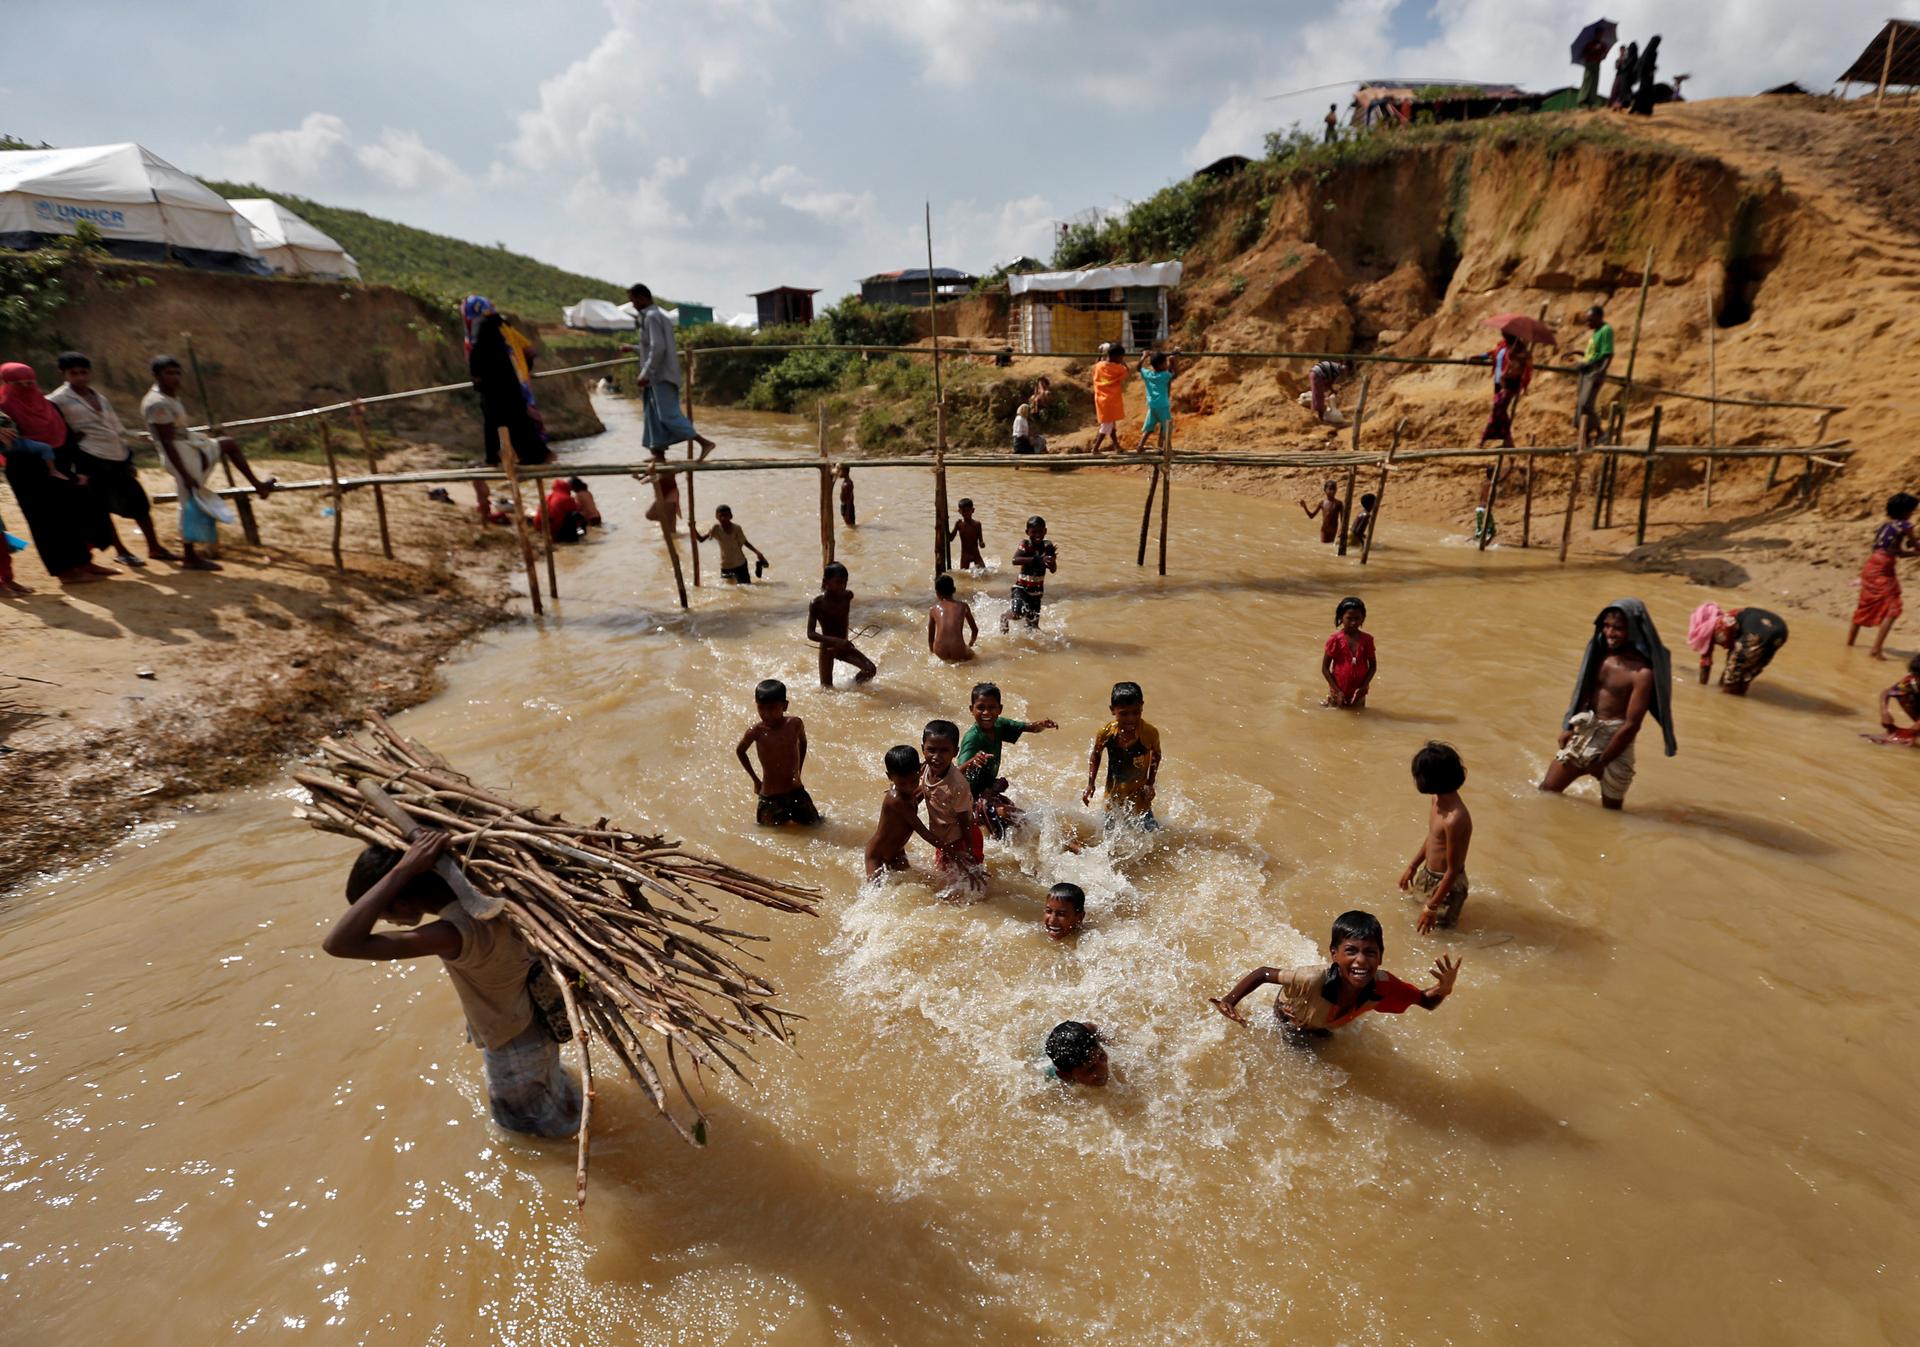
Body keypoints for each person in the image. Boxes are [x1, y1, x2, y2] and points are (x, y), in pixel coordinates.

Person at [323, 830, 580, 1137]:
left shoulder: (456, 932)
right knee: (553, 1099)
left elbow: (339, 944)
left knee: (528, 1133)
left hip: (513, 1045)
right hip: (538, 1023)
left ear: (402, 903)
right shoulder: (503, 897)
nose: (387, 924)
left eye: (383, 914)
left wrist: (402, 868)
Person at [1209, 910, 1461, 1038]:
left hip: (1324, 1024)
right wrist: (1230, 1001)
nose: (1361, 961)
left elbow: (1426, 1002)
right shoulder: (1311, 978)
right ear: (1334, 954)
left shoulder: (1384, 985)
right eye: (1351, 951)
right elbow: (1263, 973)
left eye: (1370, 952)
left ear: (1381, 957)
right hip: (1291, 1017)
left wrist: (1443, 990)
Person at [143, 356, 281, 571]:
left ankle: (258, 486)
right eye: (169, 373)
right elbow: (168, 442)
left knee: (228, 444)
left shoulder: (170, 396)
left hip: (187, 446)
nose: (175, 378)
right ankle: (190, 555)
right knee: (190, 500)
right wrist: (185, 474)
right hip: (178, 454)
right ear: (157, 375)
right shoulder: (157, 403)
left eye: (177, 373)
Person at [1539, 600, 1677, 810]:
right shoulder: (1601, 656)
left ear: (1633, 631)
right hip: (1586, 733)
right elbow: (1582, 689)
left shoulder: (1642, 674)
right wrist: (1568, 726)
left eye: (1618, 628)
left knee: (1611, 813)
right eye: (1606, 626)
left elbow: (1631, 725)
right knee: (1546, 792)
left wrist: (1602, 761)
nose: (1610, 632)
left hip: (1617, 741)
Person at [48, 351, 174, 566]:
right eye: (74, 373)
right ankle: (121, 550)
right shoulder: (56, 400)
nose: (80, 377)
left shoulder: (99, 397)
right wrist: (71, 438)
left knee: (139, 503)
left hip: (117, 455)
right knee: (101, 506)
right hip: (89, 458)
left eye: (84, 372)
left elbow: (116, 428)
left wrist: (130, 451)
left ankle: (154, 546)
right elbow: (54, 429)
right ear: (64, 374)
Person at [0, 362, 116, 583]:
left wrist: (79, 468)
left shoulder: (47, 405)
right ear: (7, 384)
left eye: (29, 383)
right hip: (28, 474)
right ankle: (65, 570)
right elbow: (10, 444)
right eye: (18, 384)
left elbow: (67, 436)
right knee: (47, 522)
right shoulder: (4, 409)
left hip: (60, 467)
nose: (26, 388)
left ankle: (84, 562)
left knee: (74, 515)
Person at [463, 295, 549, 525]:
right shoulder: (503, 326)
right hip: (515, 382)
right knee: (519, 419)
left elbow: (477, 364)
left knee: (495, 421)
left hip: (495, 387)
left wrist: (478, 379)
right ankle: (533, 455)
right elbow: (530, 351)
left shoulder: (479, 331)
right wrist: (523, 370)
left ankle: (499, 458)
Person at [621, 282, 715, 460]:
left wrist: (645, 373)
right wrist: (633, 348)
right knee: (653, 415)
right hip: (657, 376)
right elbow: (651, 346)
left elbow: (658, 348)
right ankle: (658, 453)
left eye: (633, 301)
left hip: (661, 375)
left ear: (642, 298)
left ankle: (704, 443)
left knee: (667, 415)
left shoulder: (652, 317)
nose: (633, 305)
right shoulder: (655, 316)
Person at [959, 681, 1058, 837]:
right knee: (1016, 817)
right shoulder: (972, 739)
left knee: (1017, 824)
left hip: (989, 790)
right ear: (971, 710)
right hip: (971, 798)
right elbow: (956, 773)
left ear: (1000, 710)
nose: (986, 713)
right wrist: (972, 762)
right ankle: (1063, 843)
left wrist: (1042, 725)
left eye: (991, 708)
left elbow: (1029, 728)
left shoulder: (999, 724)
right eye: (980, 708)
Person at [1399, 742, 1472, 932]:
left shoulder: (1455, 819)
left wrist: (1432, 906)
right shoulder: (1436, 800)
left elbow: (1453, 870)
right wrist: (1413, 866)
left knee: (1439, 933)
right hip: (1428, 874)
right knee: (1415, 920)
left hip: (1448, 883)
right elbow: (1433, 838)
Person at [736, 678, 818, 826]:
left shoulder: (795, 724)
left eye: (772, 708)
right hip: (770, 796)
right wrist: (755, 780)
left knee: (816, 826)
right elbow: (740, 751)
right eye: (761, 708)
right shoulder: (756, 732)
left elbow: (803, 742)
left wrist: (798, 771)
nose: (766, 714)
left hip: (796, 791)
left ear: (785, 706)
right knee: (769, 835)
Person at [1848, 492, 1918, 659]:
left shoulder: (1885, 526)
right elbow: (1914, 546)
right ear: (1906, 511)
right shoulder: (1906, 525)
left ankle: (1850, 644)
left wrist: (1914, 552)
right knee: (1894, 608)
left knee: (1865, 603)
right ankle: (1876, 650)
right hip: (1883, 568)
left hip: (1872, 565)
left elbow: (1897, 552)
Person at [1083, 681, 1161, 829]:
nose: (1131, 719)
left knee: (1151, 834)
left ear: (1142, 706)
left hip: (1139, 796)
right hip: (1114, 794)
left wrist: (1150, 785)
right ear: (1113, 710)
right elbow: (1096, 754)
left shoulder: (1150, 733)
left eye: (1136, 712)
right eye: (1124, 713)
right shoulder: (1106, 733)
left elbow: (1156, 756)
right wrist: (1090, 784)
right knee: (1108, 835)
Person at [921, 719, 985, 896]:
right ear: (923, 749)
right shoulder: (926, 767)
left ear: (955, 752)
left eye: (944, 751)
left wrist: (970, 853)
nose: (937, 756)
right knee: (943, 879)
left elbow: (965, 822)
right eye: (931, 750)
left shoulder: (957, 785)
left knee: (967, 885)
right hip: (942, 837)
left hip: (963, 838)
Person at [866, 744, 938, 879]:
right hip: (877, 856)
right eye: (902, 784)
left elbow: (936, 783)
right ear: (889, 777)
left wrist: (967, 765)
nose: (909, 787)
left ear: (920, 770)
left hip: (898, 853)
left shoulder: (909, 792)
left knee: (916, 883)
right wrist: (953, 853)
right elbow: (923, 832)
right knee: (876, 894)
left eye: (913, 781)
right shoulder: (896, 800)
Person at [1689, 602, 1788, 696]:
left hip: (1758, 633)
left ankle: (1725, 705)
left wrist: (1701, 690)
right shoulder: (1731, 617)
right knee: (1745, 675)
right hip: (1780, 632)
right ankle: (1738, 697)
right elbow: (1734, 653)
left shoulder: (1717, 626)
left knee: (1731, 681)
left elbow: (1706, 662)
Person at [807, 561, 877, 687]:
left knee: (870, 669)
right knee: (826, 689)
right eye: (838, 582)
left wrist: (841, 643)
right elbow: (811, 634)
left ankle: (852, 687)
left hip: (844, 647)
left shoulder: (848, 596)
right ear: (825, 582)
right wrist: (836, 641)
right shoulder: (817, 604)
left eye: (845, 582)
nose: (843, 586)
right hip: (827, 649)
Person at [1001, 515, 1056, 633]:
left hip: (1037, 592)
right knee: (1016, 613)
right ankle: (1005, 617)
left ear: (1045, 531)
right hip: (1021, 589)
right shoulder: (1025, 544)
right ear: (1027, 532)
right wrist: (1037, 560)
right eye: (1033, 532)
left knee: (1033, 627)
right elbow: (1015, 560)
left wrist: (1051, 561)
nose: (1037, 535)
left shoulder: (1047, 546)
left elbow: (1053, 569)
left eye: (1040, 531)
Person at [1321, 596, 1376, 709]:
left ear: (1363, 618)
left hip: (1359, 693)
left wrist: (1364, 687)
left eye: (1357, 618)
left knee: (1359, 719)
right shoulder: (1335, 639)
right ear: (1341, 617)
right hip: (1338, 692)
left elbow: (1373, 666)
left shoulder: (1367, 640)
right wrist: (1337, 692)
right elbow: (1325, 668)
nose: (1353, 622)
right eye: (1349, 618)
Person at [1478, 336, 1531, 449]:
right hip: (1499, 383)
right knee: (1500, 412)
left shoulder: (1522, 353)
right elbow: (1491, 354)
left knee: (1497, 409)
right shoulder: (1502, 346)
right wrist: (1475, 357)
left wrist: (1523, 384)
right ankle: (1507, 440)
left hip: (1511, 384)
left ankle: (1485, 439)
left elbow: (1524, 370)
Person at [1573, 306, 1614, 449]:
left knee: (1586, 403)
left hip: (1595, 370)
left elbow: (1607, 354)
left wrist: (1601, 371)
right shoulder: (1596, 332)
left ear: (1599, 317)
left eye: (1590, 320)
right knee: (1581, 406)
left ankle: (1601, 433)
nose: (1587, 323)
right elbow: (1592, 354)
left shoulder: (1606, 330)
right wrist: (1578, 353)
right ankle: (1586, 438)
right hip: (1587, 369)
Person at [697, 504, 768, 584]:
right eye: (720, 516)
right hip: (726, 566)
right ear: (716, 517)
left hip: (740, 564)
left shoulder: (736, 528)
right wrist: (692, 528)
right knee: (730, 589)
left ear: (731, 516)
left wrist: (757, 552)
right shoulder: (716, 529)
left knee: (746, 588)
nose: (723, 518)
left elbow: (745, 542)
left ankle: (759, 565)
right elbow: (701, 539)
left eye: (726, 516)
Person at [1134, 350, 1179, 452]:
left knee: (1149, 427)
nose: (1166, 364)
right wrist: (1173, 361)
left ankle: (1140, 446)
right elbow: (1175, 374)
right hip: (1163, 405)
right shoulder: (1164, 376)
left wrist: (1144, 356)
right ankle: (1165, 447)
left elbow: (1138, 368)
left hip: (1152, 406)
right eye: (1165, 363)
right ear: (1160, 365)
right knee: (1166, 426)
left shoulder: (1148, 374)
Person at [928, 573, 978, 661]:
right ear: (953, 590)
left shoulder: (933, 609)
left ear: (937, 592)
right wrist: (970, 644)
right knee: (974, 656)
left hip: (940, 652)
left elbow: (931, 636)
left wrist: (932, 652)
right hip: (959, 651)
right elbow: (975, 630)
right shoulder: (963, 606)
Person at [1090, 344, 1128, 453]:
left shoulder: (1098, 366)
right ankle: (1095, 448)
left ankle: (1117, 447)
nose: (1122, 359)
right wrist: (1122, 363)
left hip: (1101, 400)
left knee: (1111, 425)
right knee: (1106, 426)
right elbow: (1126, 371)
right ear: (1117, 357)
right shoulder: (1118, 368)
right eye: (1121, 357)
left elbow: (1096, 364)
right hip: (1111, 401)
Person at [1043, 1020, 1108, 1086]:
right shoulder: (1054, 1083)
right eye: (1090, 1069)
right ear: (1066, 1076)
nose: (1103, 1070)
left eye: (1101, 1056)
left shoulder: (1090, 1034)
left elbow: (1091, 1027)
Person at [1875, 654, 1920, 744]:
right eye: (1916, 676)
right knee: (1904, 696)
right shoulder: (1911, 681)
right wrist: (1884, 712)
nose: (1916, 679)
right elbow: (1886, 693)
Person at [541, 477, 588, 543]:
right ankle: (578, 537)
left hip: (545, 529)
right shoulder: (566, 498)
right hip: (558, 530)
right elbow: (576, 510)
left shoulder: (547, 497)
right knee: (577, 515)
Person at [1306, 358, 1352, 425]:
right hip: (1317, 374)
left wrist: (1332, 390)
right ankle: (1319, 417)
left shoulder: (1336, 368)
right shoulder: (1337, 370)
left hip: (1315, 373)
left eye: (1347, 370)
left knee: (1317, 394)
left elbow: (1328, 383)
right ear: (1342, 365)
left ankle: (1315, 414)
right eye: (1346, 369)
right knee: (1319, 396)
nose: (1345, 371)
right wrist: (1332, 391)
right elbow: (1329, 383)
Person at [1471, 462, 1508, 543]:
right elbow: (1503, 478)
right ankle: (1485, 546)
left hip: (1479, 509)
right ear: (1492, 474)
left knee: (1479, 533)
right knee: (1492, 532)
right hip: (1485, 510)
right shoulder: (1492, 483)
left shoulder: (1485, 482)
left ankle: (1469, 542)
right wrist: (1511, 467)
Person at [1299, 479, 1345, 545]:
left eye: (1334, 489)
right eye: (1330, 489)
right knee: (1324, 546)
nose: (1332, 491)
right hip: (1324, 530)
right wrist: (1305, 507)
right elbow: (1311, 516)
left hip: (1333, 530)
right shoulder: (1322, 503)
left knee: (1330, 545)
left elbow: (1343, 519)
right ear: (1325, 490)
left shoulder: (1339, 503)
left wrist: (1341, 530)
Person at [950, 498, 985, 571]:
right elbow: (951, 538)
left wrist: (982, 544)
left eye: (968, 511)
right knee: (963, 576)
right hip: (965, 555)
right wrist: (944, 528)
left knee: (984, 574)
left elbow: (981, 541)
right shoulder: (959, 524)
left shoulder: (977, 524)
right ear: (959, 511)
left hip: (976, 554)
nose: (966, 513)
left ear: (972, 510)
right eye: (963, 511)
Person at [1630, 35, 1661, 116]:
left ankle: (1645, 110)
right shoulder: (1649, 51)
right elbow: (1644, 63)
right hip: (1646, 75)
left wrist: (1653, 68)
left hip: (1649, 75)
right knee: (1643, 92)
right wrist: (1650, 69)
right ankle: (1635, 108)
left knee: (1647, 92)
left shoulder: (1653, 51)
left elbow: (1650, 63)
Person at [1609, 41, 1640, 110]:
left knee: (1624, 89)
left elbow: (1630, 66)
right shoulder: (1619, 59)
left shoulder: (1629, 57)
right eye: (1621, 50)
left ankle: (1623, 103)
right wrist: (1621, 61)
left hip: (1626, 76)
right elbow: (1617, 66)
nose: (1622, 51)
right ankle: (1615, 103)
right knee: (1615, 90)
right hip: (1619, 76)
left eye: (1624, 49)